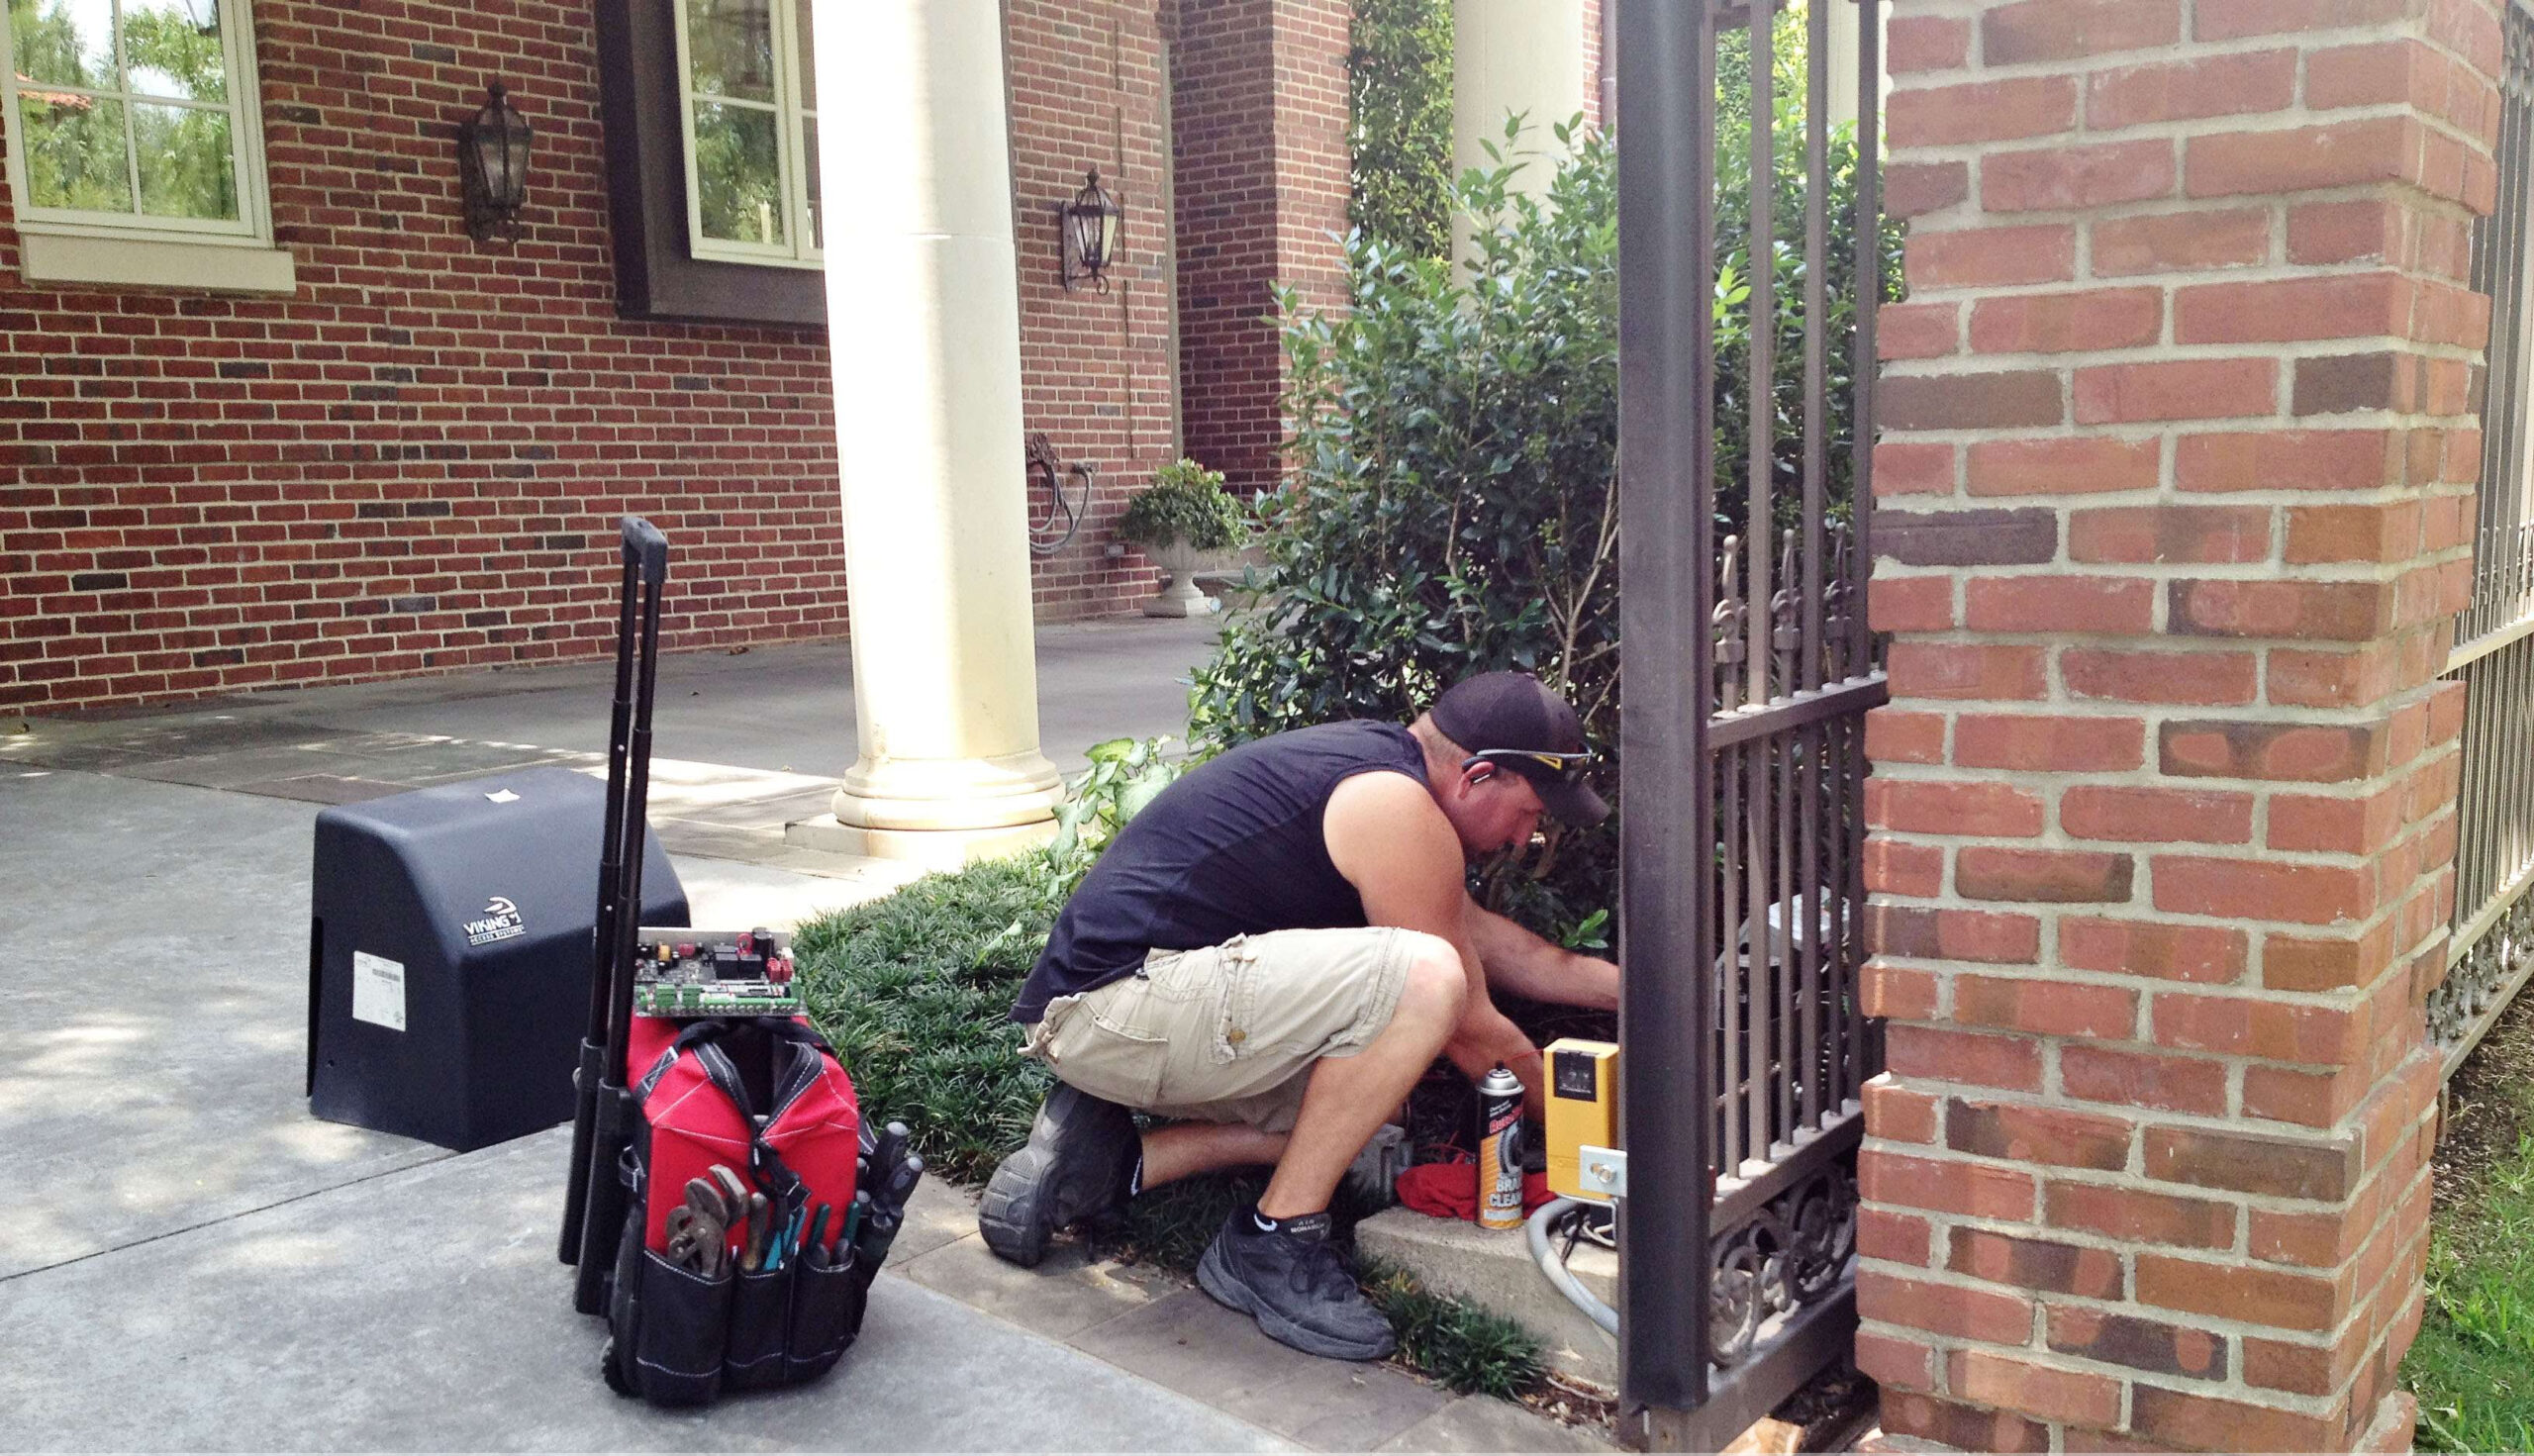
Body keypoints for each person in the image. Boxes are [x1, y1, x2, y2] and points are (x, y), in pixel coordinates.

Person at [977, 671, 1620, 1361]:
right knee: (1431, 980)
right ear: (1478, 775)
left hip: (1122, 1007)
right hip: (1114, 1004)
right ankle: (1274, 1238)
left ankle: (1113, 1160)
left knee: (1371, 1117)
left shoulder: (1386, 779)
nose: (1528, 836)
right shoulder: (1395, 807)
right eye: (1529, 811)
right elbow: (1468, 1022)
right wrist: (1605, 1138)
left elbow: (1496, 942)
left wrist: (1641, 991)